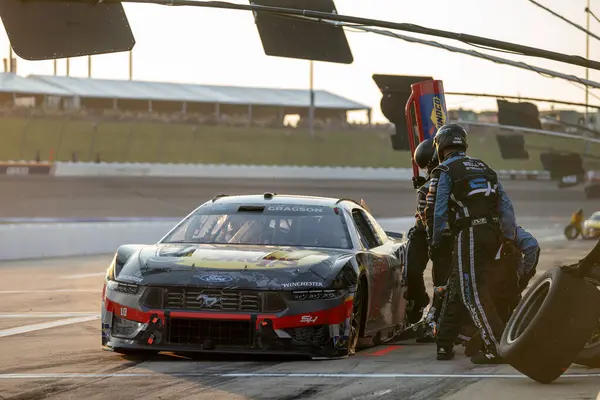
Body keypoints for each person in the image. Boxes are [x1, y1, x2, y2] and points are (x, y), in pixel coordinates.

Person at [426, 123, 517, 364]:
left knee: (471, 294)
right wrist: (507, 238)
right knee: (476, 290)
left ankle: (495, 347)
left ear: (441, 145)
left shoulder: (445, 169)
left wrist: (435, 242)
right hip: (492, 234)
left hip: (470, 234)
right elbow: (506, 207)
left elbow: (439, 211)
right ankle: (495, 341)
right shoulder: (485, 168)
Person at [405, 138, 438, 325]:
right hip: (422, 232)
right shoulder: (426, 187)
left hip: (444, 233)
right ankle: (419, 299)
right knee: (411, 271)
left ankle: (440, 313)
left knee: (441, 277)